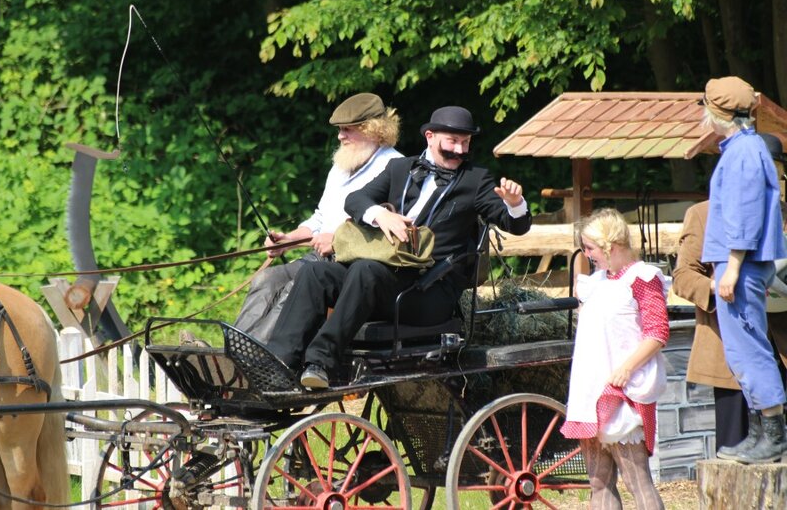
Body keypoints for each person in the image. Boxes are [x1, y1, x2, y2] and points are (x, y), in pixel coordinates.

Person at [265, 105, 532, 389]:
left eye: (465, 142)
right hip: (380, 283)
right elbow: (355, 199)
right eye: (452, 141)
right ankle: (277, 367)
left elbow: (515, 225)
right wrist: (380, 214)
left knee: (365, 269)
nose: (460, 150)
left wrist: (515, 205)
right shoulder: (399, 168)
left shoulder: (475, 179)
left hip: (428, 292)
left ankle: (319, 363)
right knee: (315, 273)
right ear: (430, 136)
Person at [233, 93, 403, 343]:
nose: (340, 136)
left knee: (292, 289)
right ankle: (234, 347)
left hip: (352, 266)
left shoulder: (396, 167)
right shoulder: (341, 165)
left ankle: (262, 354)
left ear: (373, 129)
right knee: (267, 278)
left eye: (347, 129)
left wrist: (337, 240)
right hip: (317, 258)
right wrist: (288, 239)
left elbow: (391, 233)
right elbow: (321, 218)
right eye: (339, 130)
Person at [673, 135, 787, 456]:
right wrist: (720, 285)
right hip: (730, 346)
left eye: (774, 171)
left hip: (781, 343)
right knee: (734, 451)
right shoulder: (703, 214)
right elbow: (683, 277)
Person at [699, 76, 787, 464]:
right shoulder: (743, 148)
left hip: (743, 265)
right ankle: (758, 434)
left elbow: (744, 214)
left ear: (717, 112)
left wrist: (732, 267)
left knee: (750, 349)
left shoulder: (744, 153)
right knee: (740, 352)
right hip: (739, 264)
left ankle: (774, 436)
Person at [561, 208, 668, 510]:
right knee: (598, 484)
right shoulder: (596, 283)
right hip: (590, 394)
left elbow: (657, 332)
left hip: (622, 392)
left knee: (637, 482)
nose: (587, 254)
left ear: (612, 246)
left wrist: (626, 368)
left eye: (591, 247)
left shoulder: (642, 278)